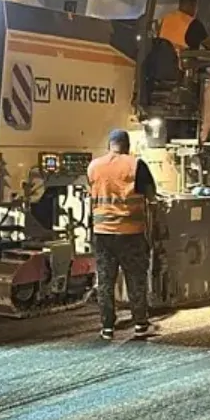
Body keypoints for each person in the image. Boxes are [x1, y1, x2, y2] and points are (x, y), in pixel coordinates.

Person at [87, 128, 157, 341]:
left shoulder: (94, 166)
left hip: (102, 234)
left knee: (106, 281)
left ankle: (107, 327)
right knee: (135, 278)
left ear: (109, 144)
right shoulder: (136, 165)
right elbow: (151, 195)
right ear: (127, 146)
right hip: (130, 232)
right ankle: (140, 325)